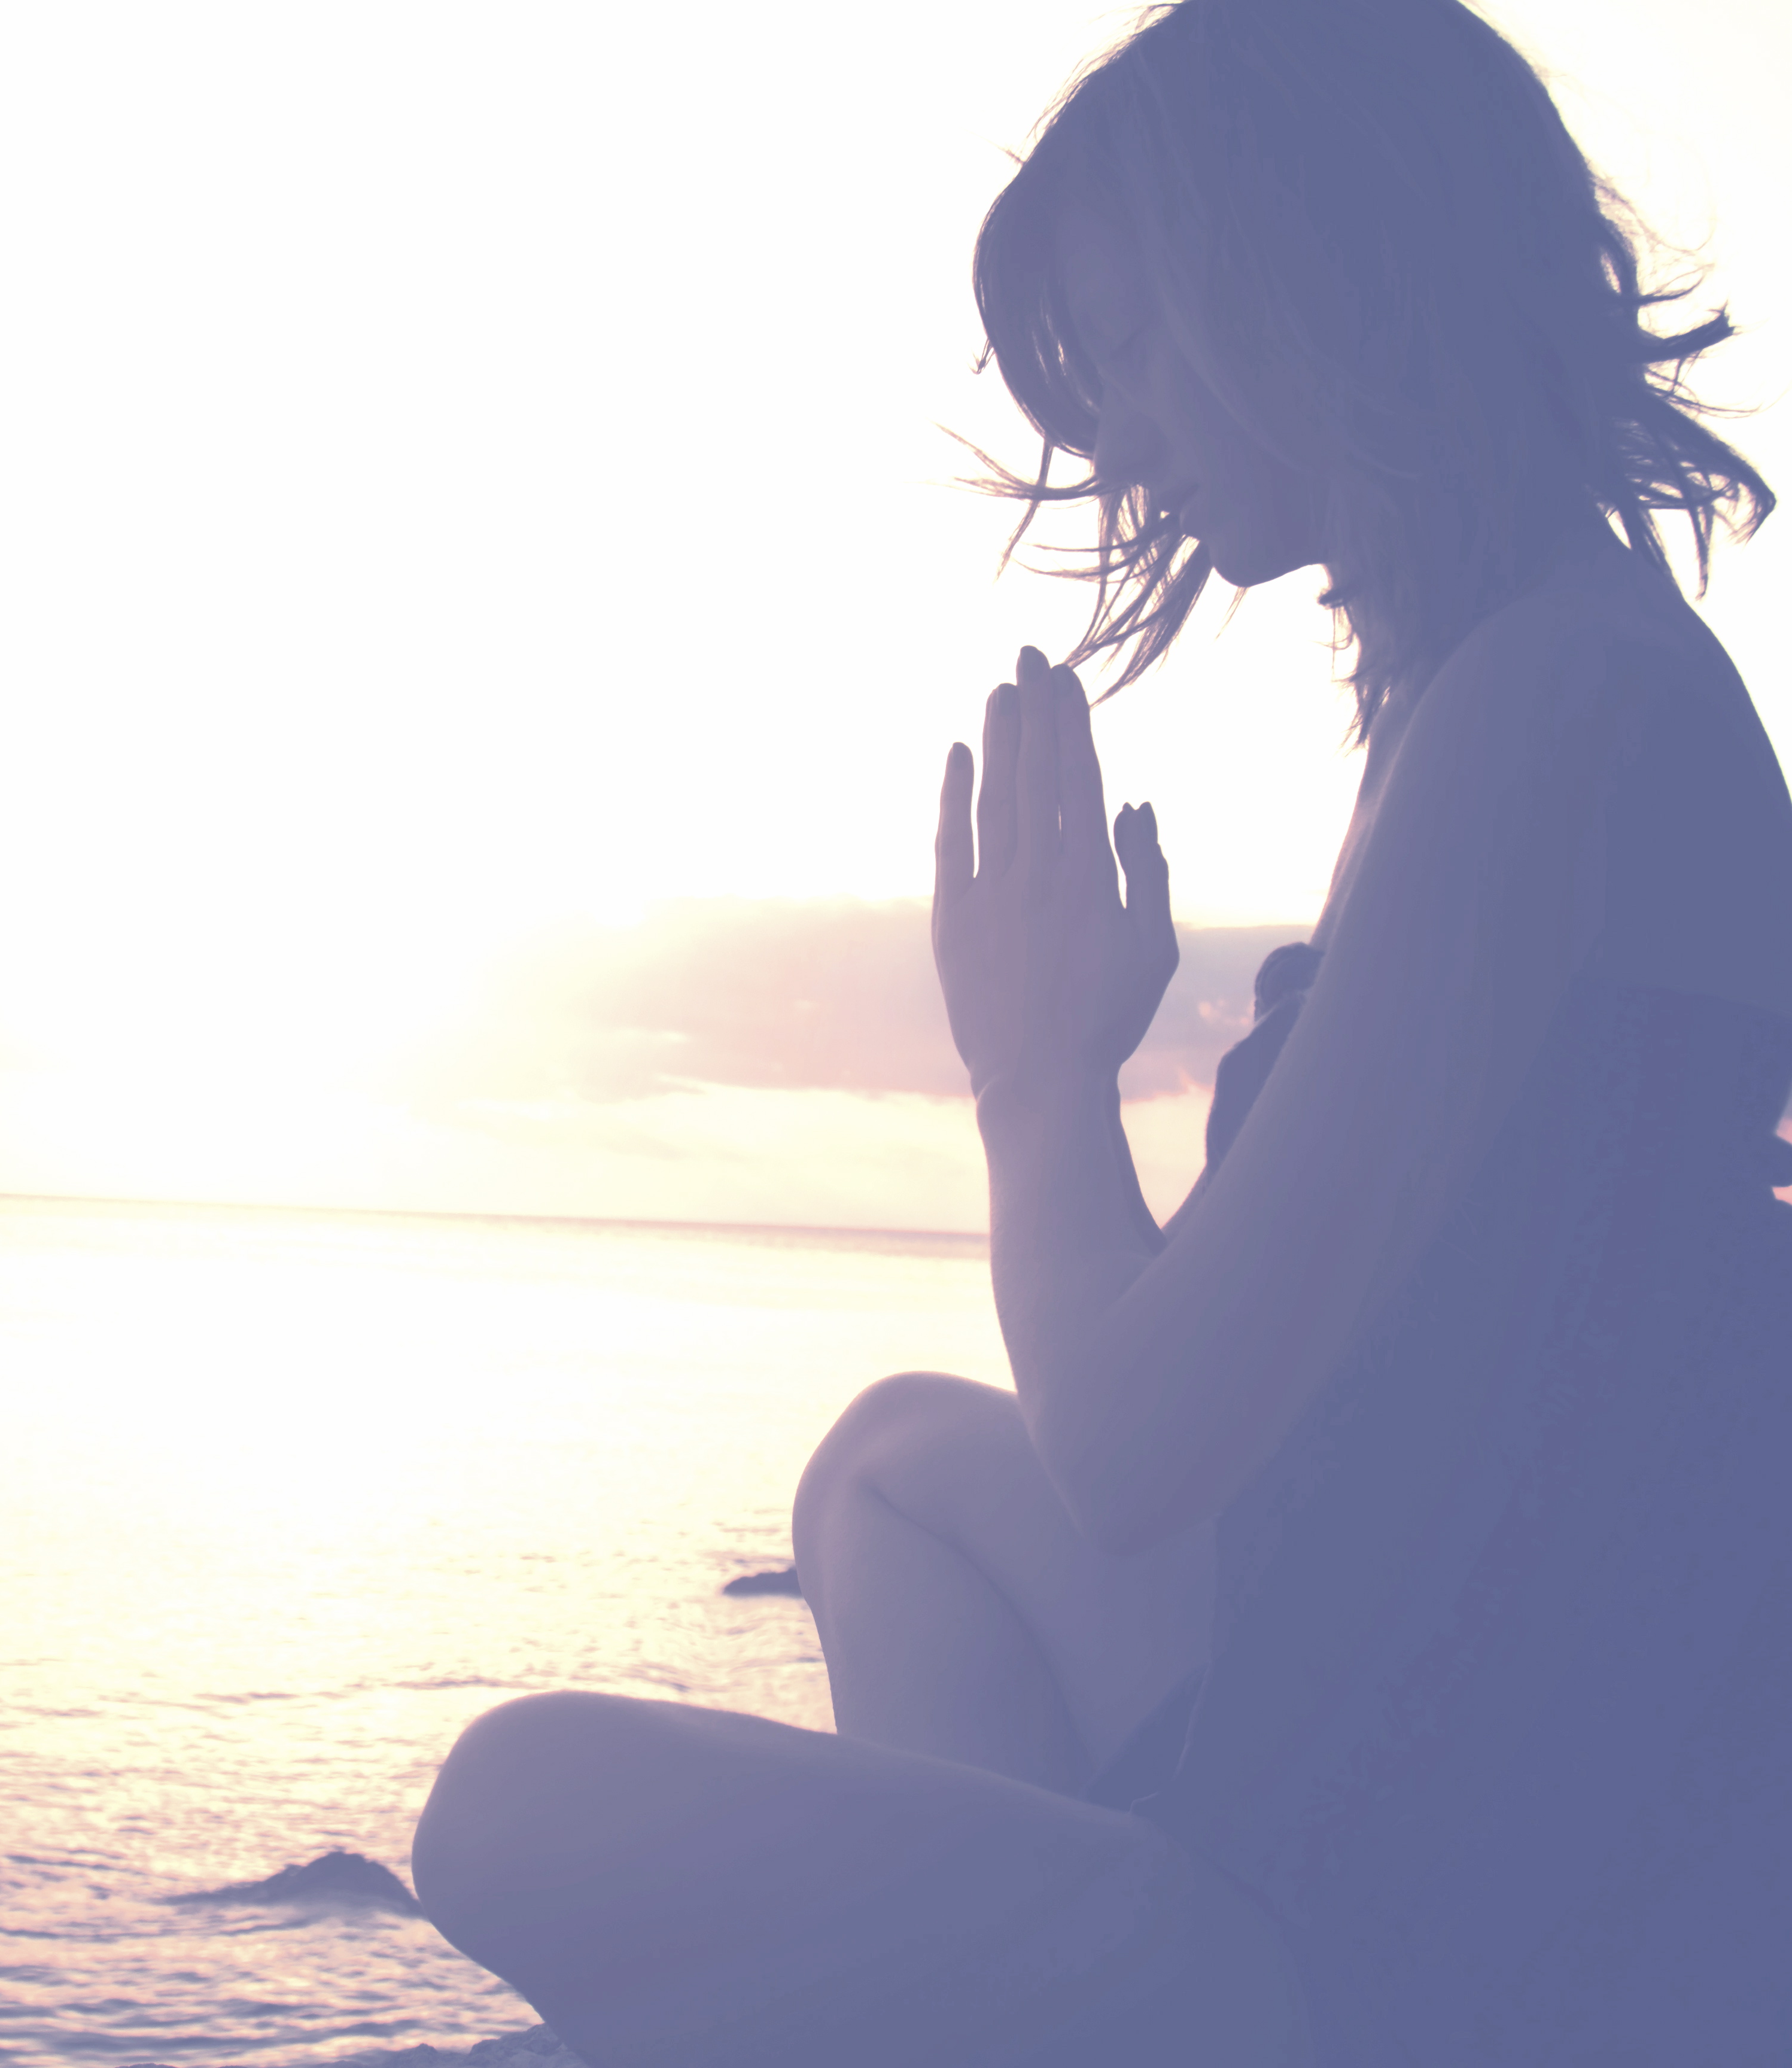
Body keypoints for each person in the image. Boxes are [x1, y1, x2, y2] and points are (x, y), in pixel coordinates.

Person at [406, 0, 1792, 2060]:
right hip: (1388, 1695)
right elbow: (1334, 1427)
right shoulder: (1496, 680)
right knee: (888, 1464)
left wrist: (1037, 1077)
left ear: (1318, 281)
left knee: (505, 1801)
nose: (1110, 434)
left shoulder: (1546, 719)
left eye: (1133, 350)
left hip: (1430, 1894)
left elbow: (1139, 1452)